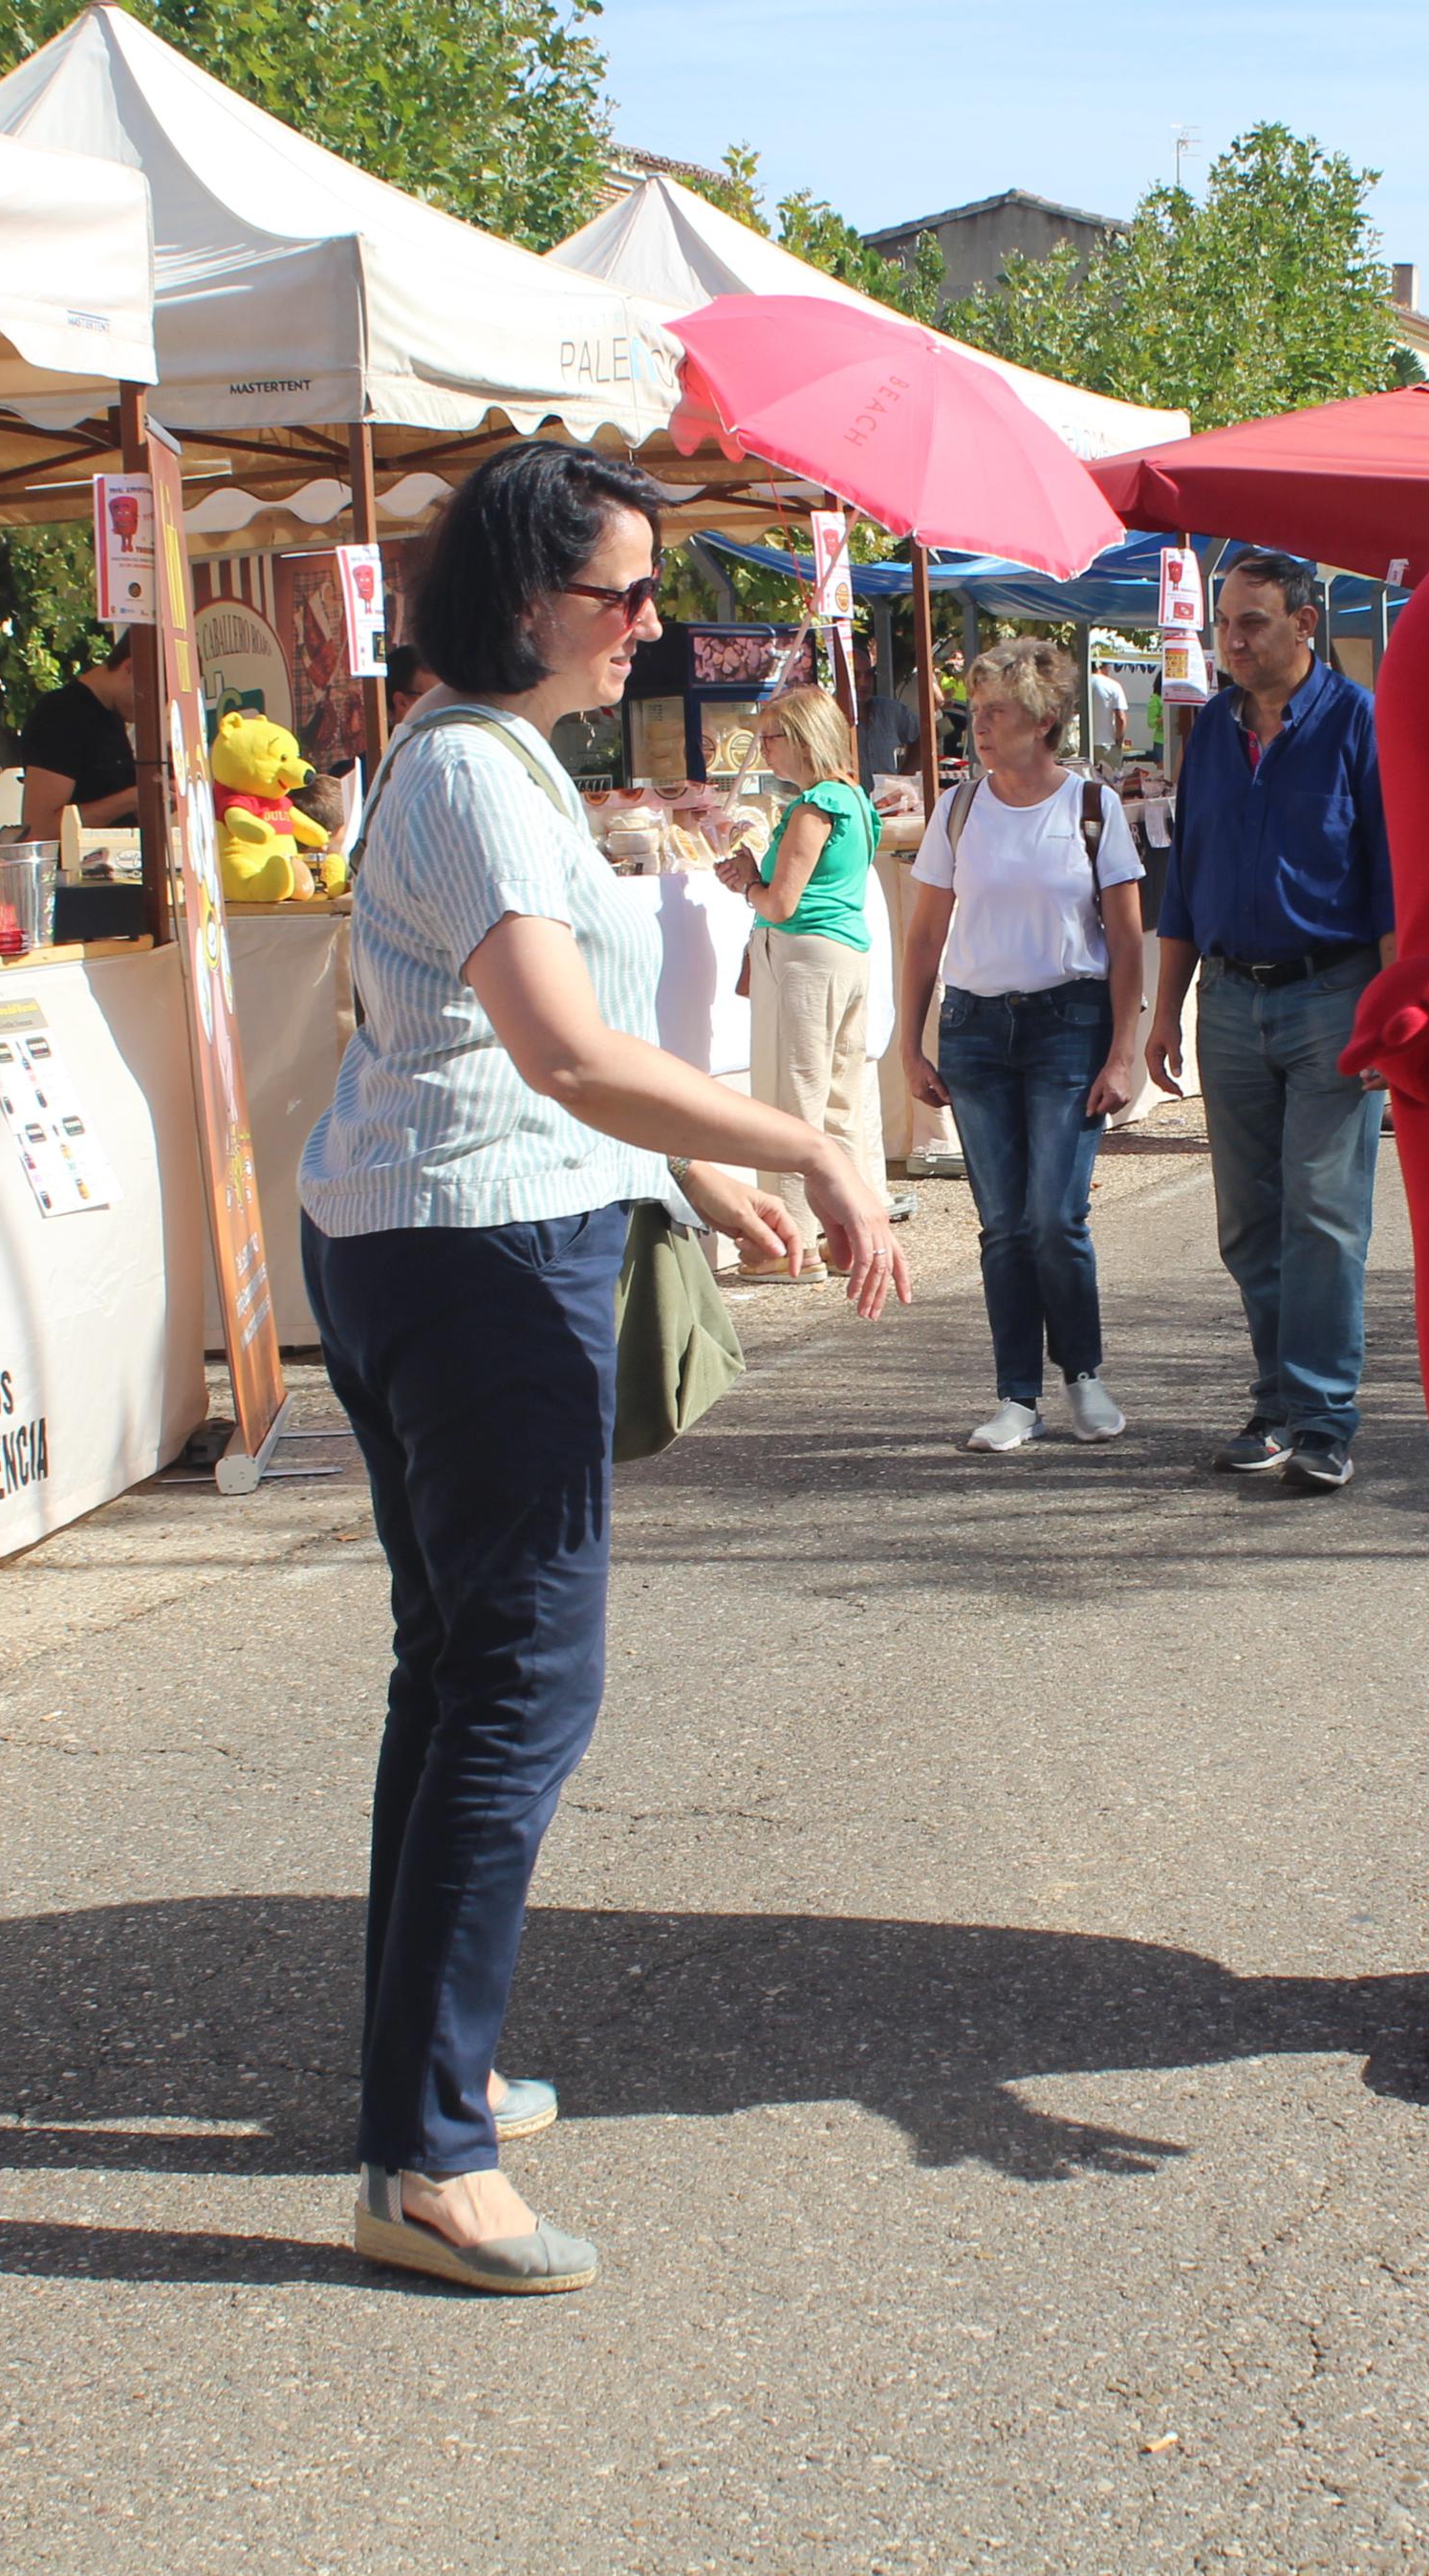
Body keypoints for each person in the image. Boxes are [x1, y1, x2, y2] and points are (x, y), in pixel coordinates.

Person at [300, 441, 910, 2296]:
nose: (647, 624)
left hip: (442, 1232)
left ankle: (433, 2071)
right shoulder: (478, 774)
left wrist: (714, 1173)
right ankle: (423, 2152)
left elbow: (540, 1066)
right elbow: (559, 1056)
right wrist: (796, 1142)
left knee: (461, 1671)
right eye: (620, 593)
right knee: (514, 1688)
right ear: (518, 599)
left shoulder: (469, 762)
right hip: (473, 1257)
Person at [1145, 551, 1394, 1493]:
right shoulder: (1210, 730)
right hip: (1228, 995)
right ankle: (1278, 1401)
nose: (1232, 641)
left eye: (1250, 622)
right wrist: (1163, 1008)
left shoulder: (1358, 724)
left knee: (1323, 1219)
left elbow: (1390, 883)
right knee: (1249, 1220)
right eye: (1223, 624)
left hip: (1332, 993)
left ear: (1302, 623)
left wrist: (1392, 1010)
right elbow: (1188, 877)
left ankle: (1323, 1416)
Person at [898, 638, 1147, 1451]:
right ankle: (1015, 1396)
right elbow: (925, 931)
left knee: (1053, 1215)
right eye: (976, 711)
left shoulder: (1089, 806)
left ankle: (1083, 1376)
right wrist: (911, 1042)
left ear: (1043, 720)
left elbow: (1126, 935)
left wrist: (1124, 1050)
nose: (981, 727)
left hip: (1067, 1025)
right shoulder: (957, 807)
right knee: (1002, 1221)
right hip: (974, 1028)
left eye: (998, 712)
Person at [715, 686, 884, 1266]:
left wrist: (746, 884)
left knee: (790, 1104)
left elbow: (781, 903)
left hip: (805, 959)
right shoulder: (854, 799)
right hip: (846, 956)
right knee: (837, 1103)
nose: (763, 749)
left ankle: (789, 1247)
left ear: (804, 739)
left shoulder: (814, 806)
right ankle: (847, 1236)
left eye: (771, 737)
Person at [13, 627, 144, 836]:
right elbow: (40, 828)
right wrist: (132, 799)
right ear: (129, 669)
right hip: (74, 867)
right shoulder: (60, 714)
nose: (157, 707)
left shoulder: (112, 715)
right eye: (158, 694)